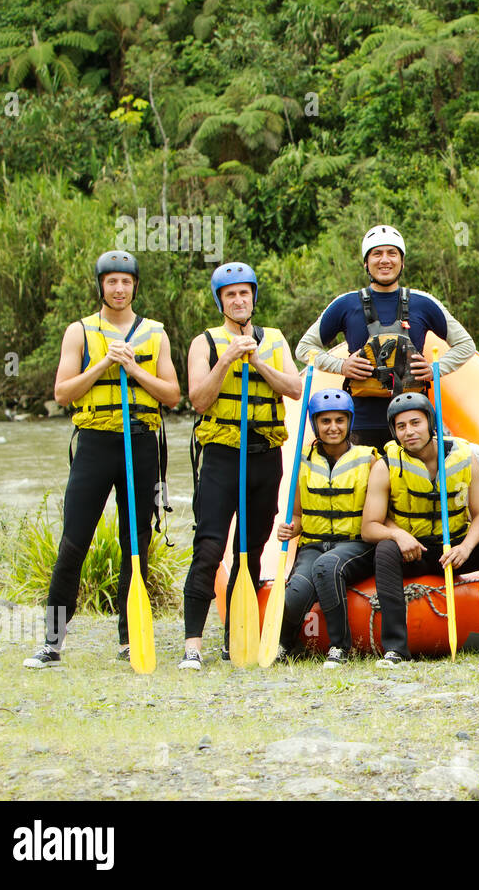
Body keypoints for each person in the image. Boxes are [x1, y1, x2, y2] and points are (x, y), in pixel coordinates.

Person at [24, 251, 181, 668]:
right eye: (111, 282)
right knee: (73, 542)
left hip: (141, 444)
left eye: (125, 282)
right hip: (95, 444)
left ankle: (131, 639)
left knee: (137, 543)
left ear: (134, 287)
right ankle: (52, 643)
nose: (119, 289)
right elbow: (62, 393)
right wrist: (103, 364)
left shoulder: (155, 334)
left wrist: (133, 369)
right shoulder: (79, 332)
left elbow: (172, 395)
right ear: (101, 286)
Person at [179, 262, 302, 670]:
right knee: (209, 548)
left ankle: (235, 639)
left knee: (250, 550)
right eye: (230, 294)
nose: (238, 299)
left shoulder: (275, 339)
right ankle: (193, 645)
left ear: (253, 297)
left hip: (264, 456)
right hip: (221, 457)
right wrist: (229, 358)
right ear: (221, 301)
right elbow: (199, 399)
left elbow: (295, 388)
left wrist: (259, 364)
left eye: (244, 293)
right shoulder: (205, 343)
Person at [361, 392, 479, 665]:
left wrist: (465, 547)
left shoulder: (464, 458)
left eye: (415, 423)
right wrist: (399, 535)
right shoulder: (385, 466)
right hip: (413, 552)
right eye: (401, 426)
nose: (409, 432)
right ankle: (396, 648)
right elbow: (369, 527)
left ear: (430, 423)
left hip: (454, 548)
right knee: (384, 551)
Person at [295, 225, 475, 449]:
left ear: (402, 261)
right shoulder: (345, 304)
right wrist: (341, 366)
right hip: (361, 421)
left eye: (392, 253)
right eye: (377, 254)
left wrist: (435, 370)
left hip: (413, 421)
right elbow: (304, 348)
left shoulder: (424, 303)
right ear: (366, 263)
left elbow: (466, 345)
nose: (385, 260)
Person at [274, 389, 377, 667]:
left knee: (327, 566)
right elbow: (297, 515)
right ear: (315, 424)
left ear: (349, 422)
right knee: (295, 593)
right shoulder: (302, 461)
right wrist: (289, 528)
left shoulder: (369, 460)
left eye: (340, 420)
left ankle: (339, 647)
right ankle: (285, 644)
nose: (333, 427)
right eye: (326, 421)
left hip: (356, 545)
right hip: (313, 544)